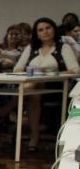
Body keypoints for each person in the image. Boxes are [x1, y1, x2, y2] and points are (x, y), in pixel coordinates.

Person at [13, 17, 80, 151]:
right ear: (36, 34)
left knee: (34, 87)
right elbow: (17, 69)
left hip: (56, 87)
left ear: (54, 29)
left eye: (48, 28)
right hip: (32, 86)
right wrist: (35, 72)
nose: (45, 32)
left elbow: (75, 70)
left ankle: (6, 110)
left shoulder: (63, 47)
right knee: (34, 92)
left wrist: (52, 73)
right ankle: (34, 136)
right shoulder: (31, 48)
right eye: (41, 30)